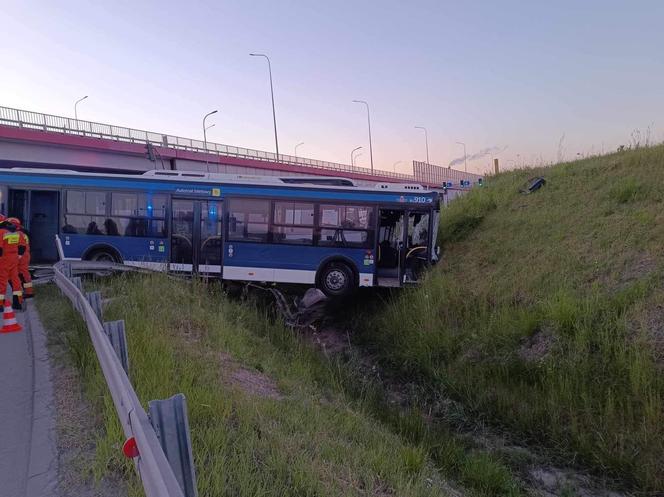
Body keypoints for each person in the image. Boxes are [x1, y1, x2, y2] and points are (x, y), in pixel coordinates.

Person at [0, 215, 23, 309]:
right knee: (15, 281)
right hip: (14, 260)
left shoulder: (1, 232)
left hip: (4, 259)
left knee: (2, 281)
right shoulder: (17, 233)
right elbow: (21, 247)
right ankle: (17, 303)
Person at [7, 217, 33, 299]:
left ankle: (27, 292)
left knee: (22, 274)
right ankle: (25, 292)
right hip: (22, 256)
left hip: (21, 256)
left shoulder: (17, 234)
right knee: (21, 274)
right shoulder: (22, 232)